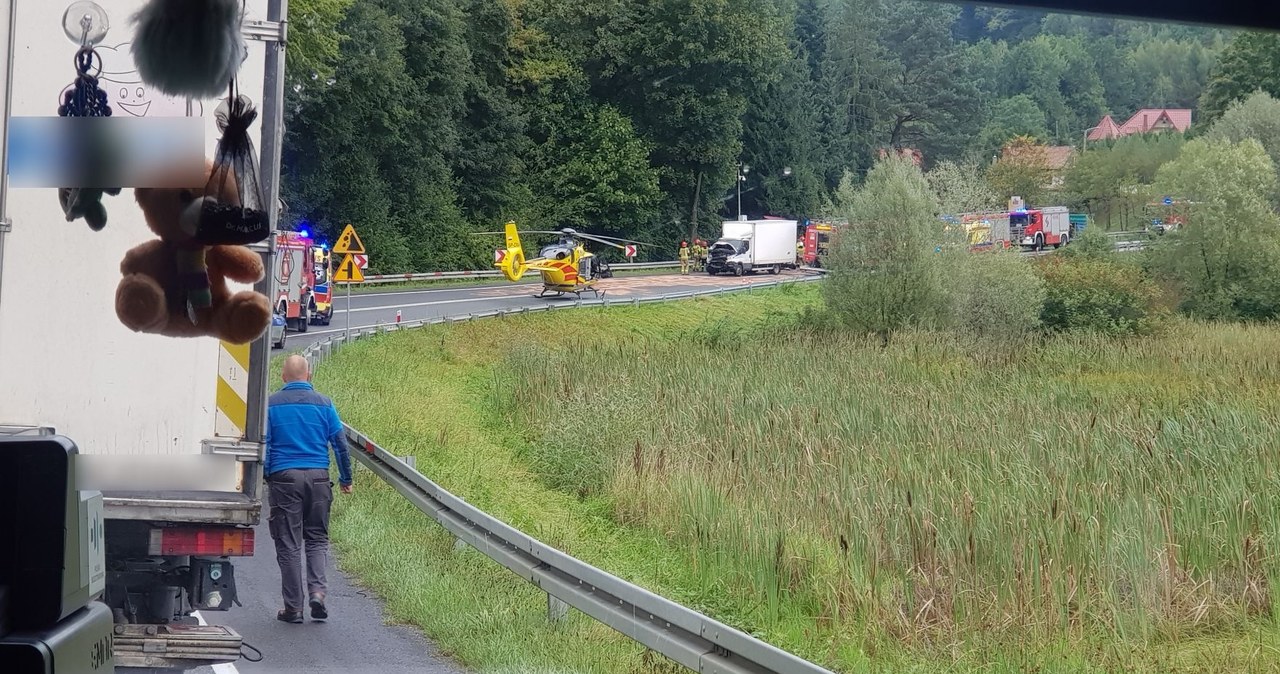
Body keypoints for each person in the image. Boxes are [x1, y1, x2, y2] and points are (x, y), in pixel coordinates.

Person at [265, 355, 353, 624]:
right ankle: (317, 592)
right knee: (316, 539)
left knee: (289, 544)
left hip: (284, 478)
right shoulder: (325, 404)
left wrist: (268, 475)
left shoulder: (270, 404)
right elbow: (340, 444)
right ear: (309, 375)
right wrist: (345, 478)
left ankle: (294, 608)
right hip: (318, 478)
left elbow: (265, 444)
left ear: (283, 377)